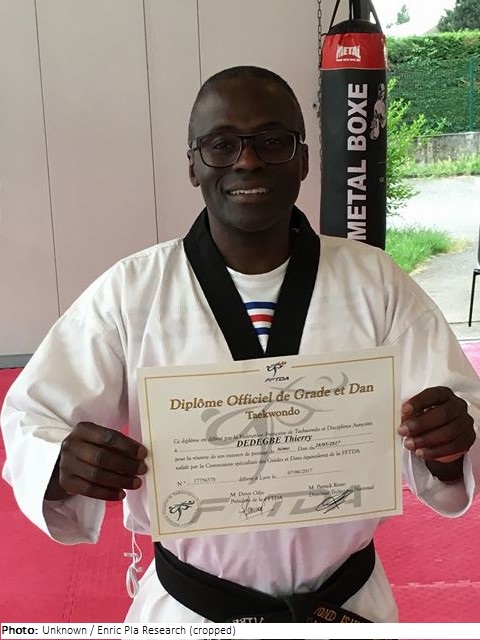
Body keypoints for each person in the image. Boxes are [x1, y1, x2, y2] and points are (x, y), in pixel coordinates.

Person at [1, 65, 480, 624]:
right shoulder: (133, 291)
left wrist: (448, 446)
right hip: (191, 612)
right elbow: (31, 416)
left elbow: (458, 413)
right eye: (221, 144)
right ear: (193, 164)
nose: (247, 161)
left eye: (272, 141)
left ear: (304, 159)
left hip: (344, 605)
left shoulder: (374, 282)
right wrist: (62, 461)